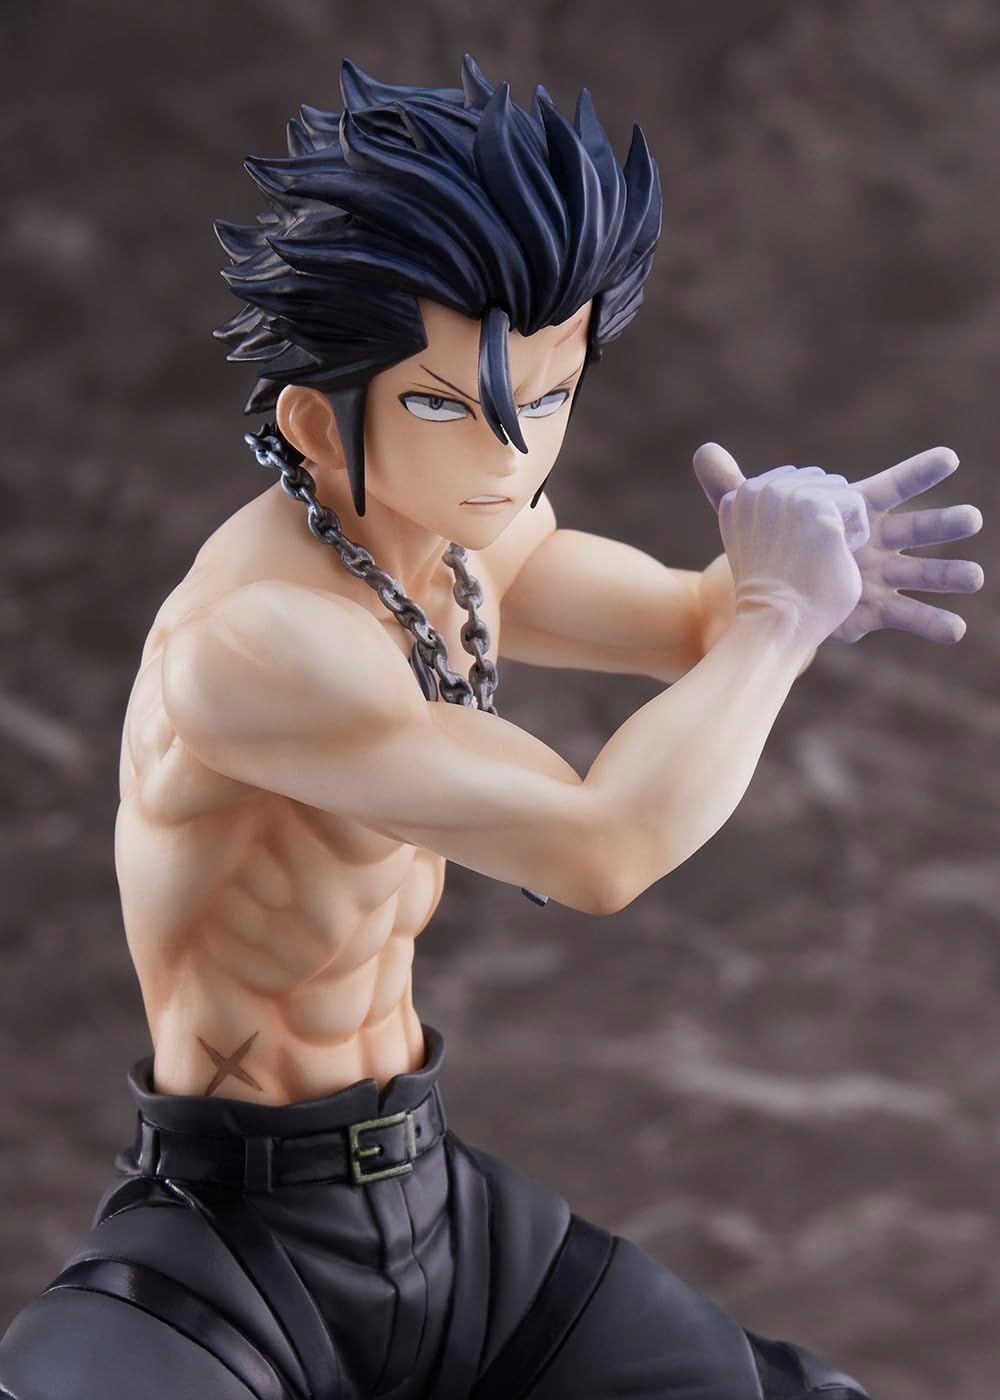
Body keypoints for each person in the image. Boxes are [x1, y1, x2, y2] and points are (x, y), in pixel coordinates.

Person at [0, 55, 983, 1400]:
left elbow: (693, 618)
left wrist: (795, 567)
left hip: (434, 1208)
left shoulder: (465, 535)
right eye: (439, 406)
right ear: (316, 421)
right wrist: (776, 622)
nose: (509, 457)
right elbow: (600, 850)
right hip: (230, 1238)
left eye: (548, 396)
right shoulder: (259, 642)